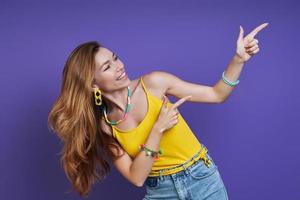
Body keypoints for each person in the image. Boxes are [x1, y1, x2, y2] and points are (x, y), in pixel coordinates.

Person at [48, 23, 268, 199]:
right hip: (160, 191)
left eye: (115, 58)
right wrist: (157, 129)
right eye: (107, 67)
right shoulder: (106, 125)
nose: (119, 66)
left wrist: (238, 59)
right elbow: (137, 178)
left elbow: (217, 95)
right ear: (93, 85)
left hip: (202, 180)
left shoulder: (154, 83)